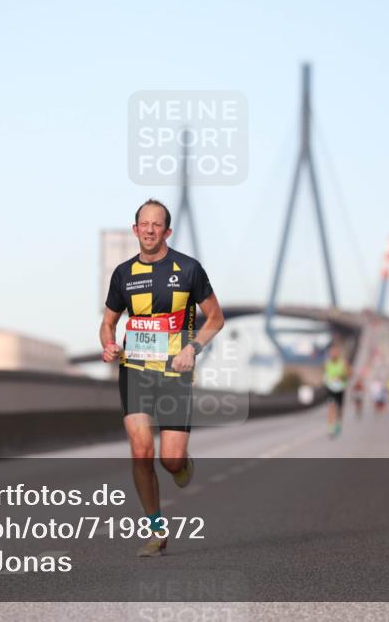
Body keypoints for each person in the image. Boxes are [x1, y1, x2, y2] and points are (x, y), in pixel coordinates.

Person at [100, 199, 224, 557]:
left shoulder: (188, 269)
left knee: (170, 460)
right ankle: (156, 529)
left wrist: (192, 349)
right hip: (135, 370)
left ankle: (182, 463)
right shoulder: (123, 274)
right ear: (135, 229)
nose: (150, 229)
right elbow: (108, 323)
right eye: (144, 224)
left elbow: (215, 318)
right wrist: (108, 344)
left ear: (167, 231)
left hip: (175, 373)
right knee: (141, 452)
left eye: (158, 224)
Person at [321, 342, 351, 437]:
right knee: (331, 407)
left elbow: (349, 374)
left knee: (340, 409)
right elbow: (324, 375)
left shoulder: (343, 362)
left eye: (335, 352)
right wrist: (327, 380)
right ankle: (330, 429)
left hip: (340, 388)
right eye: (331, 352)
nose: (333, 354)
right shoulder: (327, 364)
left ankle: (338, 425)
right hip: (330, 388)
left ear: (338, 353)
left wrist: (341, 377)